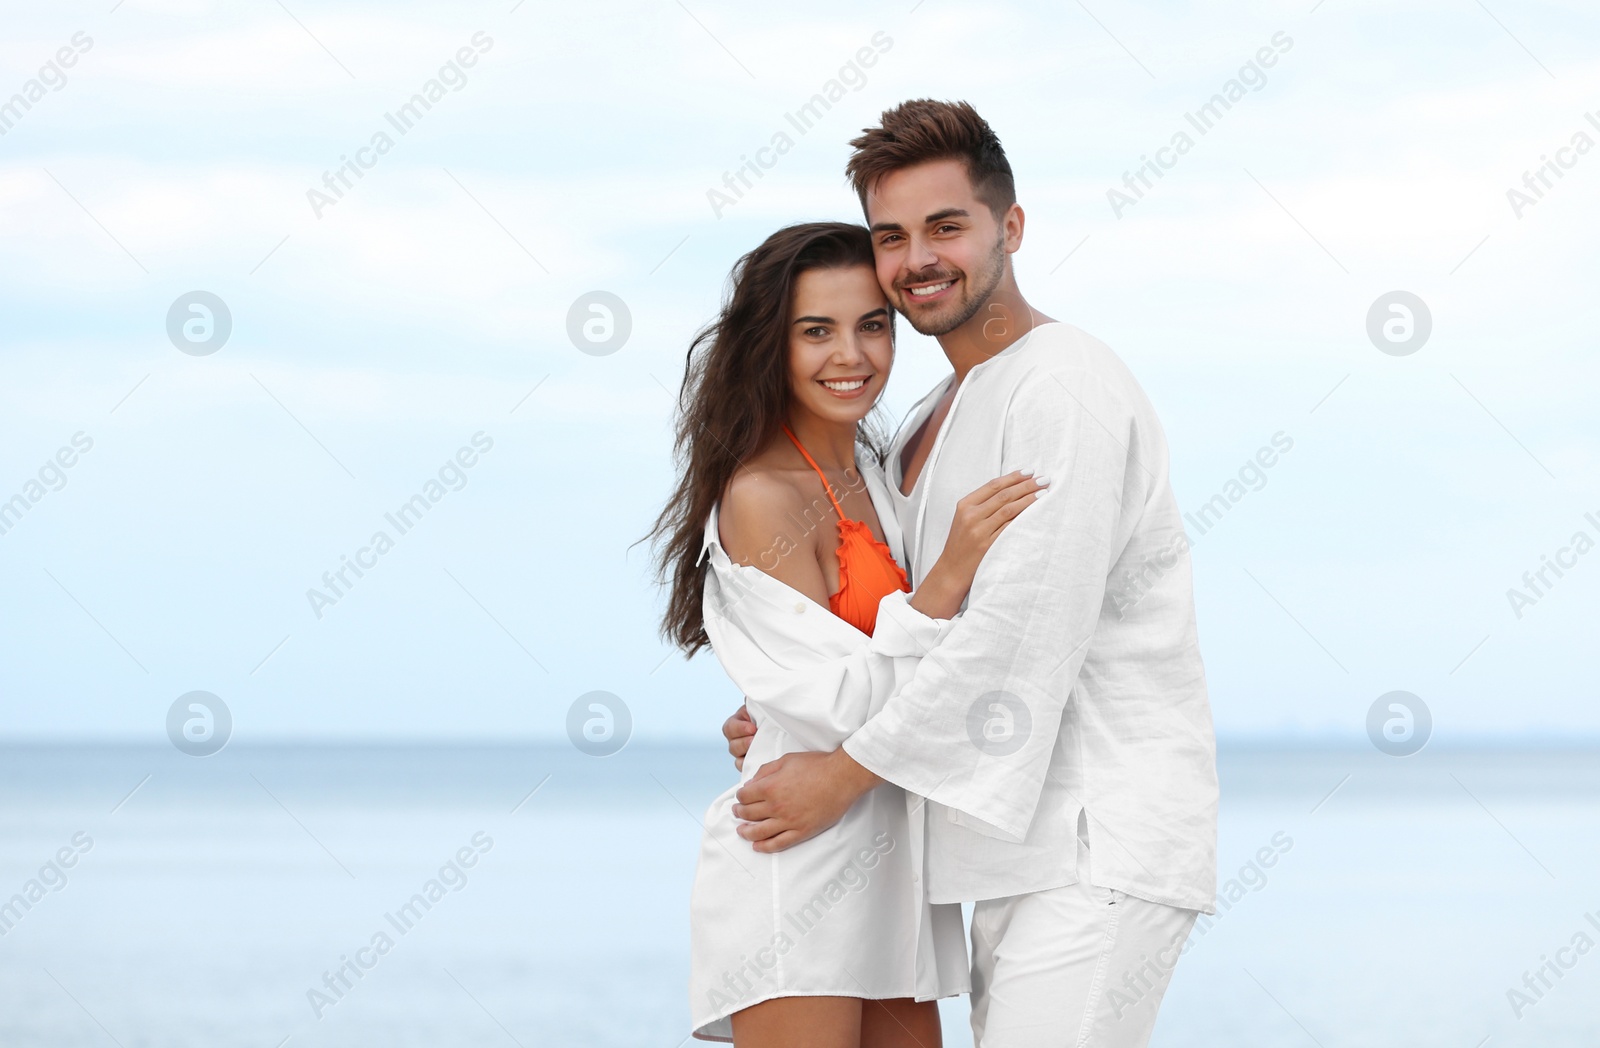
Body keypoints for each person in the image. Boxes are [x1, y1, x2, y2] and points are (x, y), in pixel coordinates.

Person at [721, 100, 1220, 1048]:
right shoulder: (925, 421)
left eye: (947, 226)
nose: (918, 259)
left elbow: (1013, 642)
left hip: (1094, 839)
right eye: (893, 236)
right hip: (996, 849)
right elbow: (909, 626)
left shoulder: (1061, 386)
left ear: (1011, 228)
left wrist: (840, 773)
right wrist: (800, 715)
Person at [648, 220, 1046, 1046]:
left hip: (893, 865)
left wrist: (774, 711)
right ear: (770, 344)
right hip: (800, 863)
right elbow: (836, 705)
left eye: (872, 324)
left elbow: (839, 687)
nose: (852, 355)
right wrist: (948, 578)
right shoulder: (764, 493)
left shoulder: (873, 470)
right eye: (816, 331)